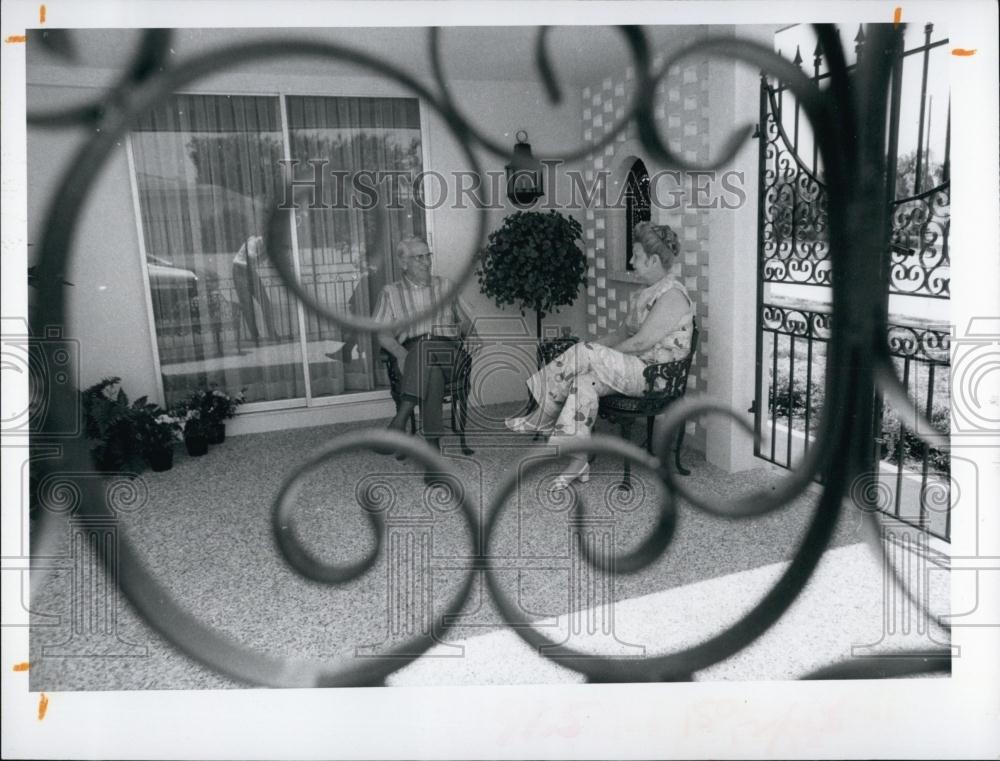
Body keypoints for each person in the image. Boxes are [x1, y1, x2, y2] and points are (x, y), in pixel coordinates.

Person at [505, 222, 695, 490]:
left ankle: (541, 414)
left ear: (653, 260)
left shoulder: (673, 296)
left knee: (586, 354)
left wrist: (593, 354)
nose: (631, 261)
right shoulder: (645, 294)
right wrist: (590, 348)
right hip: (635, 369)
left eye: (636, 256)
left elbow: (641, 342)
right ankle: (578, 460)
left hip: (654, 377)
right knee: (582, 382)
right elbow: (621, 334)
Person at [372, 235, 475, 465]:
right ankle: (433, 454)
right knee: (431, 374)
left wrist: (464, 331)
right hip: (412, 355)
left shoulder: (446, 286)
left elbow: (468, 324)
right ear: (403, 263)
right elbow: (382, 334)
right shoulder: (390, 292)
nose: (427, 262)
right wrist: (400, 354)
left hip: (449, 352)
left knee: (427, 349)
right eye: (419, 257)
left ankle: (399, 420)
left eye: (428, 256)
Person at [232, 234, 277, 345]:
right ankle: (255, 337)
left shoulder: (266, 247)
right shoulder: (253, 242)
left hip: (250, 271)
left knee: (265, 303)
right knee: (247, 306)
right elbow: (252, 258)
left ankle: (272, 334)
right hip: (239, 271)